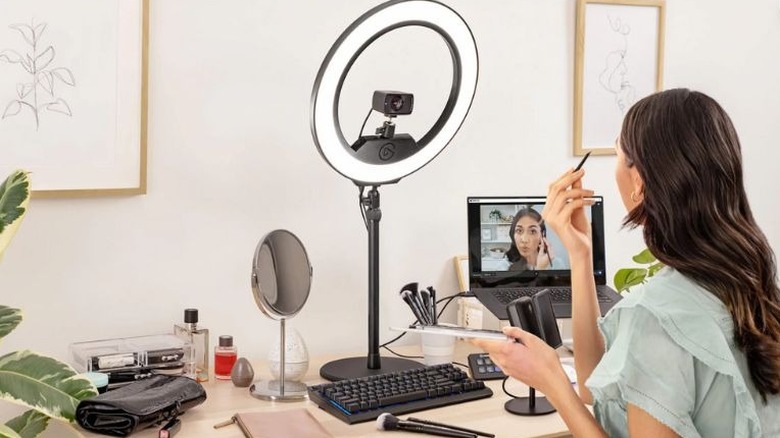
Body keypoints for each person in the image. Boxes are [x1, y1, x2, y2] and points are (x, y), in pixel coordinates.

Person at [473, 89, 780, 437]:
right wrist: (580, 255)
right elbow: (595, 384)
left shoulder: (655, 316)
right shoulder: (753, 284)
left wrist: (553, 382)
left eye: (618, 155)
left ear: (639, 181)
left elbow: (585, 388)